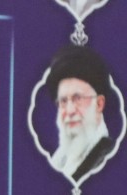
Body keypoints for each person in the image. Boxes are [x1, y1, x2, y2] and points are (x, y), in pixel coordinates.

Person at [47, 45, 116, 181]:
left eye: (78, 99)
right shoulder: (59, 160)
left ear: (99, 104)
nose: (70, 111)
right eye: (63, 101)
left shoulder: (112, 158)